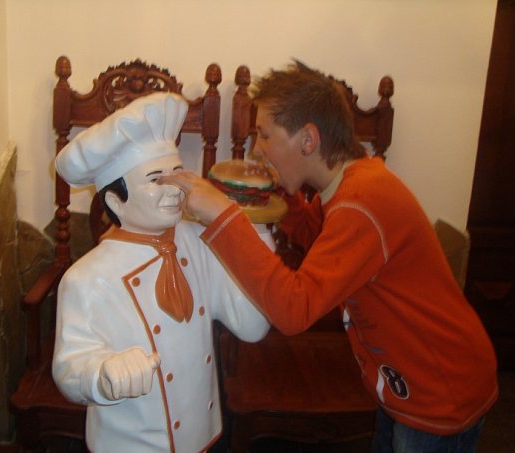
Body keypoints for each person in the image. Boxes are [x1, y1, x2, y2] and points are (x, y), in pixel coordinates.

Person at [159, 61, 498, 452]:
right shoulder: (351, 186)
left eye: (265, 135)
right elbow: (321, 240)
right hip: (404, 383)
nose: (256, 148)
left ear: (308, 139)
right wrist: (280, 194)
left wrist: (222, 216)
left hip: (439, 389)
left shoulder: (363, 202)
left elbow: (295, 308)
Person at [51, 92, 270, 453]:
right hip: (128, 445)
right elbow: (69, 367)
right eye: (155, 179)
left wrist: (255, 230)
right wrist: (103, 374)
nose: (174, 189)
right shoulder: (86, 279)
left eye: (177, 174)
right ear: (115, 201)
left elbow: (252, 326)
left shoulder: (201, 241)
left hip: (203, 437)